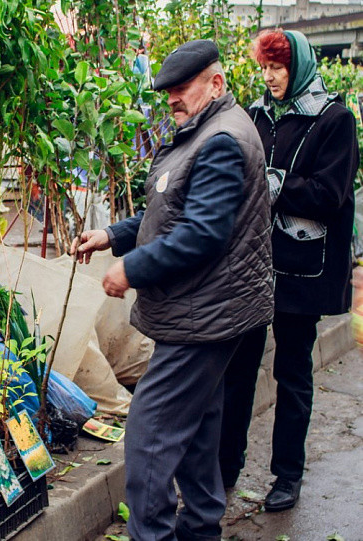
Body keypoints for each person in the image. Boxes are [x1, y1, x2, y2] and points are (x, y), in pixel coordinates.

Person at [71, 39, 273, 541]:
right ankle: (201, 529)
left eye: (182, 89)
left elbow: (202, 234)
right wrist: (114, 236)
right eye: (168, 93)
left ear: (216, 83)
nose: (173, 100)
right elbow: (173, 212)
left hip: (204, 313)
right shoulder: (207, 131)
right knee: (199, 429)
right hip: (207, 309)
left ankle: (154, 535)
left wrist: (130, 268)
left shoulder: (221, 140)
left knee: (149, 434)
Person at [218, 30, 359, 512]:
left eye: (278, 67)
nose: (270, 77)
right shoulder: (256, 116)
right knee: (238, 368)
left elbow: (330, 195)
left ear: (297, 66)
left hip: (303, 269)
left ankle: (287, 476)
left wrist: (273, 183)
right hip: (255, 263)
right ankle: (224, 468)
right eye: (264, 68)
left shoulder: (335, 120)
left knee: (293, 370)